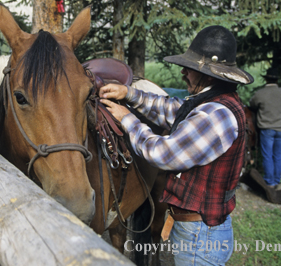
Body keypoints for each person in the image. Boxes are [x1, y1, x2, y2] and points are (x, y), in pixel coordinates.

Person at [99, 26, 253, 266]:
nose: (184, 73)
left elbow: (162, 153)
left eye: (191, 69)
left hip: (200, 236)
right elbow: (170, 109)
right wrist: (129, 93)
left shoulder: (216, 115)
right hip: (198, 229)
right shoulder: (211, 102)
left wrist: (126, 119)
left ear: (209, 75)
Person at [249, 67, 281, 189]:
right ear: (277, 80)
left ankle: (269, 181)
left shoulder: (260, 93)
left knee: (267, 155)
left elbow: (252, 104)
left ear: (266, 80)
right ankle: (277, 179)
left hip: (267, 128)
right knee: (278, 155)